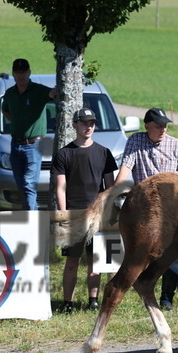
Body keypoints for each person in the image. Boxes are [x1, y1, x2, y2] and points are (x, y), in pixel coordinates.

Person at [114, 107, 178, 310]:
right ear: (147, 126)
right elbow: (125, 169)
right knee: (157, 251)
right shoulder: (135, 141)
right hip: (147, 207)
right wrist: (114, 192)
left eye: (165, 125)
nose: (163, 129)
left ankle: (167, 298)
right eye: (158, 126)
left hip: (173, 207)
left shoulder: (176, 145)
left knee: (166, 251)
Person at [51, 108, 118, 313]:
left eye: (91, 123)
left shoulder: (104, 152)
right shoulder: (64, 154)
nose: (88, 126)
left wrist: (109, 212)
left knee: (96, 262)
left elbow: (110, 187)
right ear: (74, 125)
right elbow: (60, 187)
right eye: (83, 123)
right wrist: (63, 214)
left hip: (98, 215)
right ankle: (67, 302)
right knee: (71, 262)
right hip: (74, 215)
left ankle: (93, 300)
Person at [1, 58, 56, 210]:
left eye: (23, 72)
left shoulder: (38, 90)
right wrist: (17, 122)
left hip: (34, 145)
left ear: (29, 73)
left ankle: (32, 221)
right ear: (13, 74)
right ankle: (28, 218)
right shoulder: (10, 93)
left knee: (28, 184)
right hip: (15, 145)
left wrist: (56, 91)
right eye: (17, 73)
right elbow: (5, 109)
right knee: (22, 188)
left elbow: (52, 94)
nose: (20, 76)